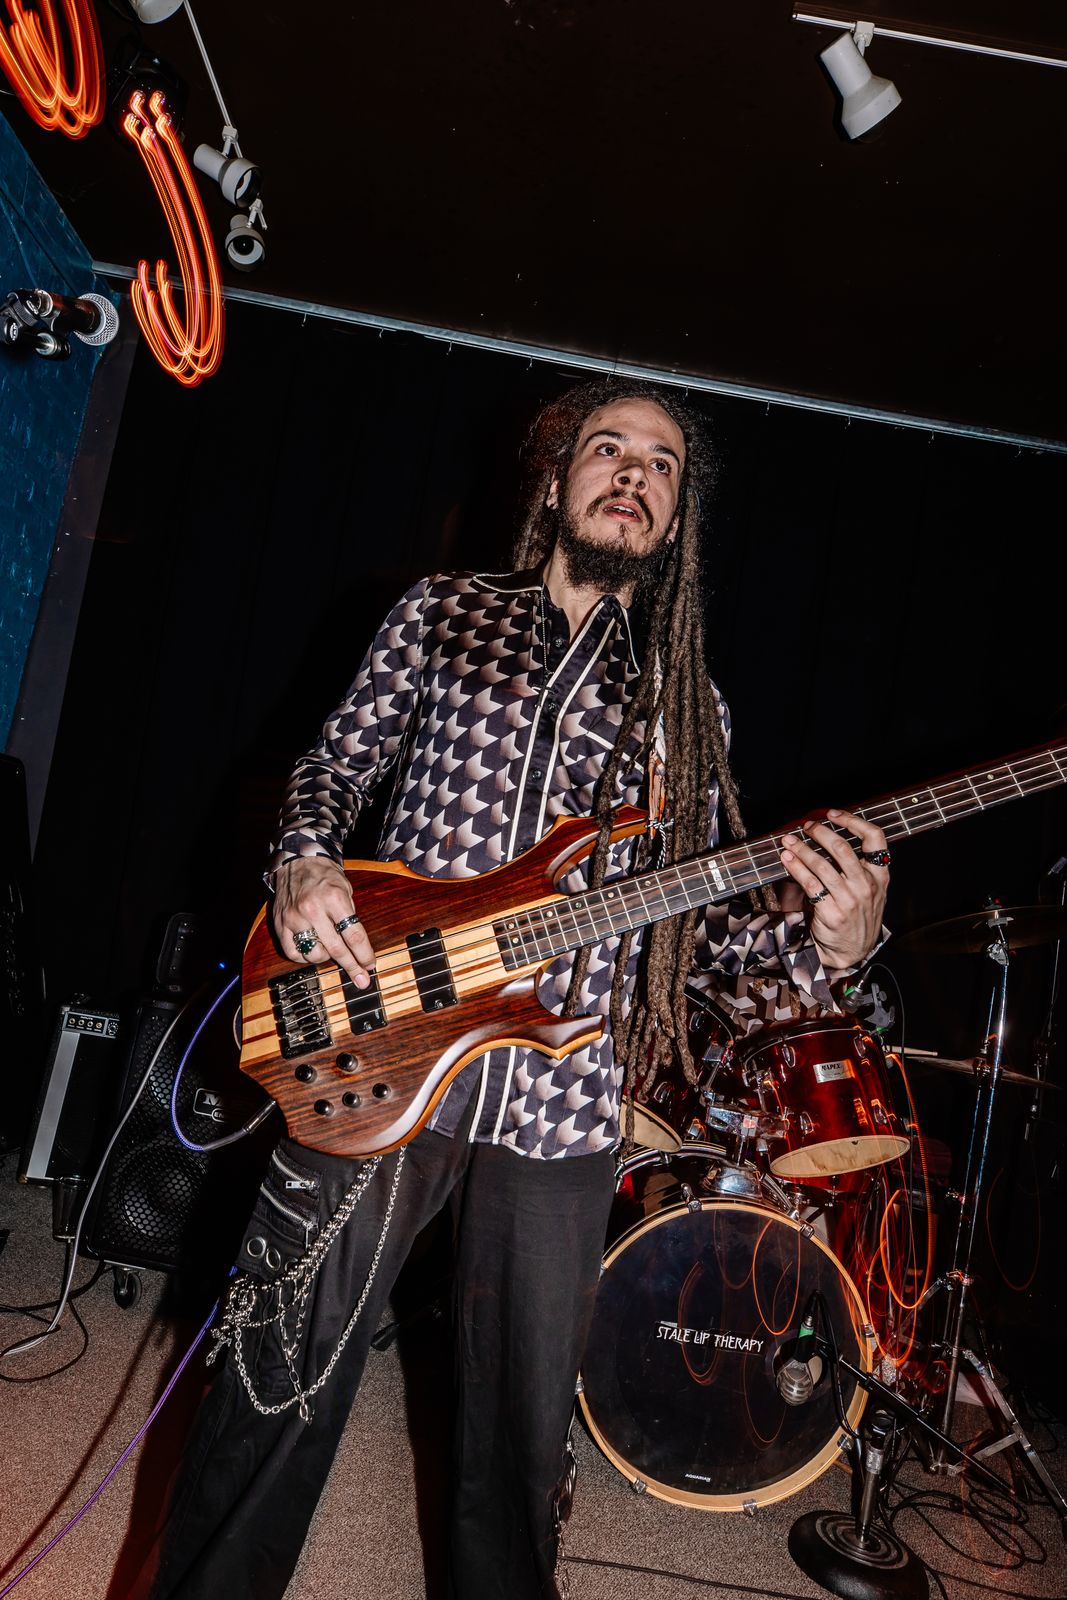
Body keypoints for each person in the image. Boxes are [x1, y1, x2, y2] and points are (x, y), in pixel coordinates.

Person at [144, 378, 889, 1600]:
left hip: (565, 1093)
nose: (634, 473)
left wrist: (829, 946)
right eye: (609, 447)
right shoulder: (445, 613)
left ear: (676, 518)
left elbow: (703, 946)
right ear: (555, 479)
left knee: (514, 1446)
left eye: (661, 463)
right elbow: (332, 767)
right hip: (384, 1038)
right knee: (277, 1374)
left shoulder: (686, 710)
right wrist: (304, 858)